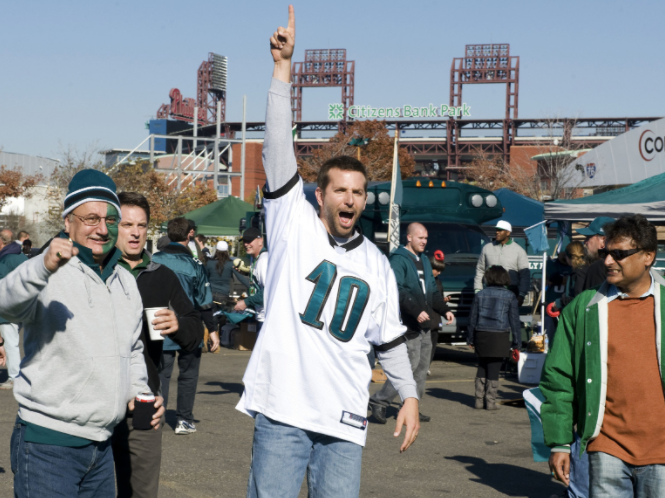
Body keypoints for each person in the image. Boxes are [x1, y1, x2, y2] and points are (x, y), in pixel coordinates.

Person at [236, 8, 420, 497]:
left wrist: (410, 395)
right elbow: (277, 148)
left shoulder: (377, 264)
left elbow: (390, 340)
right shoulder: (293, 223)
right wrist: (282, 70)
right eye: (341, 191)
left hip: (343, 420)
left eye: (358, 193)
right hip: (283, 411)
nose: (350, 200)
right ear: (321, 195)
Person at [0, 169, 162, 497]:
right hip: (47, 446)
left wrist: (137, 392)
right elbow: (5, 303)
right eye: (90, 218)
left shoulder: (126, 281)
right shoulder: (45, 272)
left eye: (110, 219)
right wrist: (42, 266)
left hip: (101, 449)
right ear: (67, 222)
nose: (102, 229)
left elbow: (132, 350)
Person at [542, 214, 665, 497]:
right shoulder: (585, 308)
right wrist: (560, 442)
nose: (608, 261)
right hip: (606, 447)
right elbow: (559, 376)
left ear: (648, 256)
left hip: (661, 451)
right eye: (606, 252)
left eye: (619, 254)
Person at [112, 192, 204, 498]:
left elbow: (193, 329)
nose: (135, 232)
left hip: (144, 402)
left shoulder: (161, 276)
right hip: (95, 399)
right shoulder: (97, 273)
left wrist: (178, 325)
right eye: (127, 224)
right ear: (113, 225)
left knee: (141, 491)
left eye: (142, 225)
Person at [369, 223, 453, 423]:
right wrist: (416, 311)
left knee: (422, 368)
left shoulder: (424, 259)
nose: (424, 242)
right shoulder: (398, 260)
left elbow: (432, 291)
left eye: (426, 238)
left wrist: (445, 310)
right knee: (408, 367)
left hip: (425, 325)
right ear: (409, 238)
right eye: (420, 238)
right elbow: (396, 289)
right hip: (408, 324)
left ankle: (410, 406)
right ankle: (379, 402)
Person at [153, 217, 218, 435]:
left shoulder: (154, 259)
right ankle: (184, 419)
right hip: (190, 324)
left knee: (161, 373)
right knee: (188, 374)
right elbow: (204, 300)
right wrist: (214, 330)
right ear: (190, 234)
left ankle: (158, 417)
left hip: (160, 323)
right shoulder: (195, 264)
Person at [467, 265, 521, 410]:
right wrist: (517, 343)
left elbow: (473, 318)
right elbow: (514, 321)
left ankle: (478, 400)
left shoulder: (480, 295)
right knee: (494, 368)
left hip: (481, 334)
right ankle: (490, 401)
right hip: (500, 335)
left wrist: (470, 338)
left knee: (482, 365)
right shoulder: (510, 296)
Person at [474, 220, 530, 305]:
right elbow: (480, 270)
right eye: (496, 230)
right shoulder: (487, 248)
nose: (497, 232)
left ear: (508, 233)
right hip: (489, 292)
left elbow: (524, 274)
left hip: (510, 293)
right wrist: (478, 290)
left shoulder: (519, 251)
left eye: (500, 230)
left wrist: (521, 295)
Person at [0, 229, 28, 390]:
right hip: (25, 306)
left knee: (10, 344)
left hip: (9, 309)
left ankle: (14, 377)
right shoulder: (20, 256)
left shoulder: (4, 259)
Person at [234, 227, 268, 328]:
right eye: (244, 241)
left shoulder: (264, 260)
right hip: (262, 315)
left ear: (260, 240)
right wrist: (246, 274)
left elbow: (268, 291)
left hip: (267, 318)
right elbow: (259, 284)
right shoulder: (256, 259)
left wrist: (246, 302)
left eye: (249, 241)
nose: (246, 244)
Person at [575, 216, 615, 295]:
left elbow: (589, 304)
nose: (585, 242)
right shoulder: (627, 266)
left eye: (588, 237)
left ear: (603, 241)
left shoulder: (598, 268)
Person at [429, 250, 450, 365]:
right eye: (437, 270)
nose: (439, 273)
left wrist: (443, 301)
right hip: (427, 318)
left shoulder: (438, 282)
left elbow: (437, 299)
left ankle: (427, 365)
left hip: (436, 318)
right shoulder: (426, 282)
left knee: (433, 343)